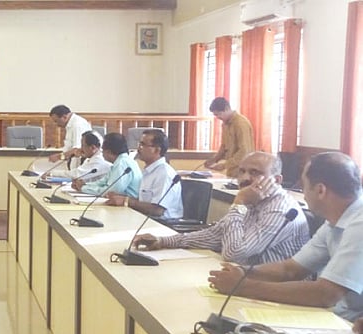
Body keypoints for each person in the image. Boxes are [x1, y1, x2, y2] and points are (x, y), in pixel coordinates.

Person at [208, 152, 363, 322]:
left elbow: (326, 294)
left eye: (303, 186)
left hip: (351, 328)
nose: (303, 194)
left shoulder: (359, 224)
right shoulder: (335, 220)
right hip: (337, 318)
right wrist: (244, 272)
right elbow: (290, 269)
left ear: (320, 190)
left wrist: (242, 287)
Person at [133, 152, 309, 266]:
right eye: (242, 171)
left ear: (276, 180)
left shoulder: (280, 209)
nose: (245, 178)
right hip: (248, 281)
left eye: (255, 173)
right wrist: (163, 241)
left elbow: (234, 253)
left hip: (276, 294)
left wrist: (239, 202)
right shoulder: (254, 199)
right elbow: (215, 235)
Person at [106, 129, 183, 219]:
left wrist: (126, 201)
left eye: (143, 145)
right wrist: (120, 197)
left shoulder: (164, 174)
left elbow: (158, 210)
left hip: (163, 224)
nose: (139, 148)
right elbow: (144, 202)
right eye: (139, 144)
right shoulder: (149, 171)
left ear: (157, 150)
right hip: (144, 219)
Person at [72, 132, 142, 198]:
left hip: (130, 207)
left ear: (108, 152)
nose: (102, 153)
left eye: (102, 150)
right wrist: (85, 185)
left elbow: (112, 192)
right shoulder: (120, 161)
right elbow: (103, 182)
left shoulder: (122, 164)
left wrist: (84, 188)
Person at [204, 98, 254, 178]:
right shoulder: (225, 124)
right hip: (232, 170)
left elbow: (244, 151)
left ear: (227, 108)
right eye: (215, 115)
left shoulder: (240, 123)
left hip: (243, 170)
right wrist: (214, 159)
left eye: (219, 114)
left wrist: (225, 165)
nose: (218, 117)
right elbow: (224, 146)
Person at [46, 131, 111, 183]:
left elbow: (77, 175)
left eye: (83, 145)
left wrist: (51, 173)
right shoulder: (91, 157)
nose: (81, 149)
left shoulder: (99, 159)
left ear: (93, 147)